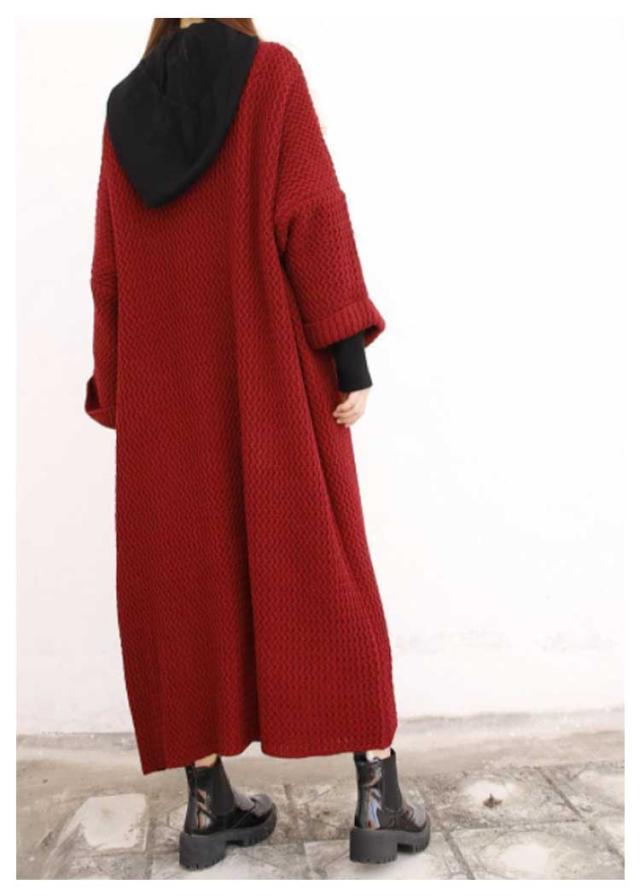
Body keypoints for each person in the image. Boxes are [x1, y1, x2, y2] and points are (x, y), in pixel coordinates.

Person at [85, 17, 430, 869]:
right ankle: (377, 797)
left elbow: (109, 269)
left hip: (167, 400)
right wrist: (348, 355)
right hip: (272, 379)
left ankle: (208, 806)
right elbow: (311, 215)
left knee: (186, 585)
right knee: (325, 563)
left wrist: (122, 394)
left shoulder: (124, 108)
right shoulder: (270, 75)